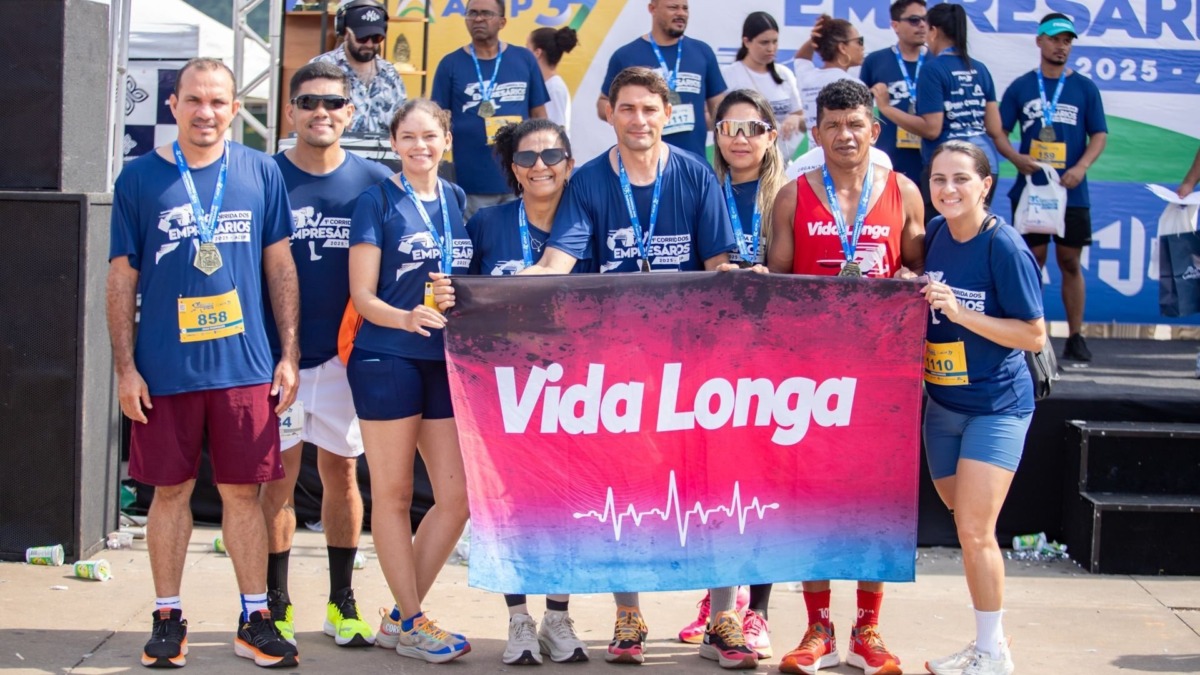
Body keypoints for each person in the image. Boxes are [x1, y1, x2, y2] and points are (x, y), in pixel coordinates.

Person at [527, 67, 743, 667]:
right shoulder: (591, 181)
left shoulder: (696, 175)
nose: (639, 120)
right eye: (627, 109)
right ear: (611, 114)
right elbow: (558, 262)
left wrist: (747, 283)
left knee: (711, 486)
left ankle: (723, 616)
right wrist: (485, 290)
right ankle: (628, 617)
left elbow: (718, 265)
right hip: (619, 367)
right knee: (627, 490)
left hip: (695, 365)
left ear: (667, 113)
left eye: (650, 109)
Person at [107, 57, 300, 669]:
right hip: (165, 370)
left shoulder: (260, 170)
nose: (205, 112)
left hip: (245, 367)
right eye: (193, 100)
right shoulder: (138, 179)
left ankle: (254, 616)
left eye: (218, 101)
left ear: (235, 109)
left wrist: (289, 353)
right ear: (173, 105)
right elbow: (120, 278)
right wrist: (124, 368)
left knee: (246, 494)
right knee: (170, 494)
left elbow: (280, 267)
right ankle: (167, 615)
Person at [767, 79, 924, 675]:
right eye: (832, 125)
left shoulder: (905, 192)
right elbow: (775, 287)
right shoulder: (793, 196)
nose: (844, 135)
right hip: (812, 380)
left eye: (855, 124)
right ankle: (816, 628)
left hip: (882, 377)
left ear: (874, 130)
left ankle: (868, 628)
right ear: (817, 132)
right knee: (813, 503)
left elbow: (918, 268)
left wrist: (909, 283)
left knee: (874, 504)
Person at [438, 119, 590, 665]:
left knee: (564, 504)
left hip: (574, 388)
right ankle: (520, 620)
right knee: (507, 506)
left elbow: (551, 276)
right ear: (513, 169)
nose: (541, 166)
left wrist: (493, 293)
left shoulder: (581, 218)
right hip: (501, 388)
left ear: (569, 162)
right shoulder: (487, 222)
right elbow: (459, 296)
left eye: (552, 155)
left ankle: (557, 616)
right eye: (527, 158)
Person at [260, 61, 392, 649]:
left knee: (341, 475)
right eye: (308, 101)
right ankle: (274, 604)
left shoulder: (375, 180)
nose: (321, 112)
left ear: (351, 112)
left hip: (346, 360)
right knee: (277, 482)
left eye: (333, 103)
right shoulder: (263, 176)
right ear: (289, 112)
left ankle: (342, 602)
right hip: (277, 358)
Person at [347, 98, 473, 663]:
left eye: (430, 136)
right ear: (394, 144)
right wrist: (405, 317)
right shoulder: (374, 201)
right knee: (394, 496)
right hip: (386, 357)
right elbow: (362, 296)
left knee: (458, 498)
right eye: (409, 137)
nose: (421, 146)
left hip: (443, 362)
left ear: (446, 140)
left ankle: (401, 615)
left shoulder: (456, 198)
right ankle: (415, 620)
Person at [920, 140, 1046, 675]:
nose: (948, 190)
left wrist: (958, 312)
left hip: (997, 407)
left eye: (961, 180)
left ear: (986, 185)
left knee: (975, 530)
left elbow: (1034, 335)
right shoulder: (933, 235)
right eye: (939, 179)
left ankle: (993, 652)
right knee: (962, 518)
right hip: (941, 405)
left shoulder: (1005, 247)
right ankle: (986, 644)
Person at [675, 88, 788, 661]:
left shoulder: (788, 196)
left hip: (770, 358)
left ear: (772, 135)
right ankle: (715, 602)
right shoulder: (699, 186)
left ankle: (758, 610)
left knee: (761, 482)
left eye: (751, 127)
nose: (739, 138)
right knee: (711, 482)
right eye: (728, 127)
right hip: (708, 353)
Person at [999, 13, 1108, 363]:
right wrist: (1016, 158)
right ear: (1039, 41)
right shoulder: (1021, 86)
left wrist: (1081, 167)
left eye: (1067, 40)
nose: (1062, 46)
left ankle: (1076, 336)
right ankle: (1029, 335)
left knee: (1070, 261)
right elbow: (998, 130)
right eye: (1055, 39)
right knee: (1031, 262)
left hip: (1070, 190)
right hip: (1032, 189)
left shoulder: (1084, 87)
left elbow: (1100, 135)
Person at [872, 2, 1009, 222]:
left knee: (940, 233)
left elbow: (932, 129)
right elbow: (994, 127)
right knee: (976, 230)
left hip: (948, 168)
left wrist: (887, 109)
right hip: (985, 164)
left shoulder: (933, 69)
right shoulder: (980, 68)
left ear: (934, 31)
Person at [432, 0, 549, 219]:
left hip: (520, 178)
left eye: (486, 13)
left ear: (502, 21)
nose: (478, 19)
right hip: (470, 183)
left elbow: (539, 116)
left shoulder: (524, 60)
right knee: (475, 248)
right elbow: (437, 123)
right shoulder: (450, 64)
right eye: (472, 13)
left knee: (517, 247)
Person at [598, 0, 727, 160]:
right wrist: (631, 115)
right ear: (652, 9)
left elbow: (721, 110)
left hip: (693, 163)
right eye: (673, 7)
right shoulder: (625, 56)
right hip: (641, 164)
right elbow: (603, 104)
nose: (681, 13)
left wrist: (700, 121)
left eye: (685, 8)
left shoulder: (702, 52)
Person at [858, 0, 928, 187]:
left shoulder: (936, 61)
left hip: (929, 158)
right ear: (895, 25)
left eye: (925, 19)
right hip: (888, 157)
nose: (922, 25)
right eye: (914, 20)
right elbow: (860, 110)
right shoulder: (875, 61)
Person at [311, 0, 406, 136]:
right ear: (346, 33)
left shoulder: (391, 74)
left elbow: (402, 123)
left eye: (376, 38)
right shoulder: (319, 68)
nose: (369, 44)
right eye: (362, 37)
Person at [720, 12, 804, 161]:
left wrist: (795, 119)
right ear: (746, 42)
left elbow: (800, 114)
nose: (771, 48)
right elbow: (718, 120)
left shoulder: (784, 74)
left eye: (775, 42)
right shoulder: (729, 75)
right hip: (743, 161)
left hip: (781, 162)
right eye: (764, 42)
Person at [793, 15, 865, 150]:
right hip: (840, 156)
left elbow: (801, 58)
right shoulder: (855, 86)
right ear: (843, 47)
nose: (862, 47)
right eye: (859, 41)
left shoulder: (807, 77)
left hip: (812, 158)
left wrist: (814, 39)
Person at [528, 27, 580, 133]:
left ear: (537, 53)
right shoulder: (543, 84)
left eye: (527, 48)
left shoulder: (554, 88)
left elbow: (555, 130)